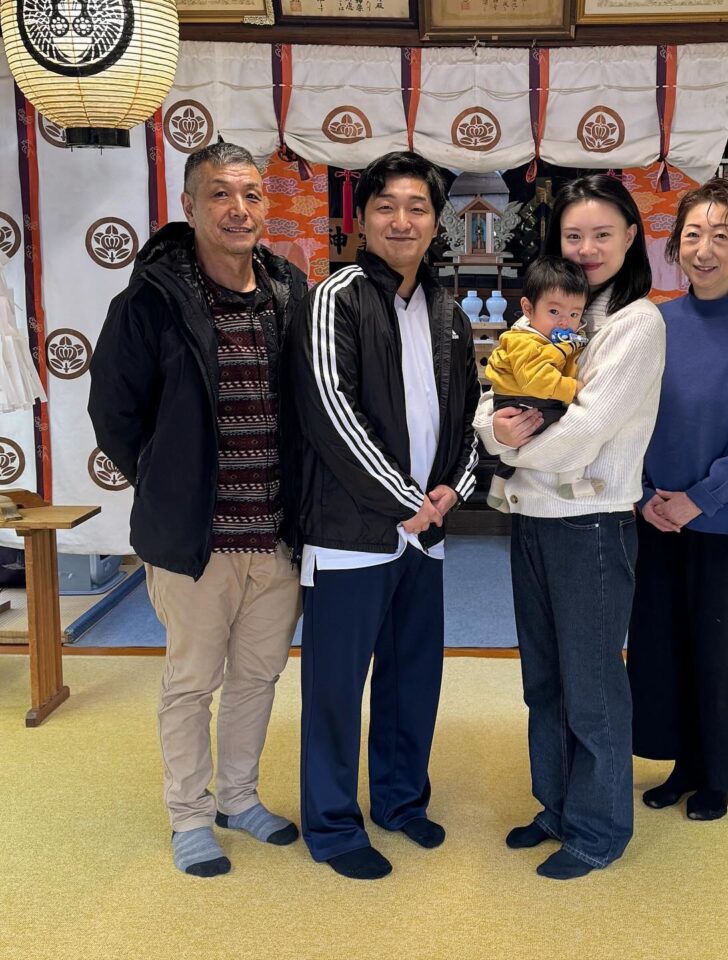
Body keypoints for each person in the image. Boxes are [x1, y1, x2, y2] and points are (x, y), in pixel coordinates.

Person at [88, 142, 308, 877]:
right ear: (188, 206)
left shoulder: (289, 292)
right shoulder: (148, 301)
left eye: (250, 194)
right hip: (194, 543)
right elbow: (115, 416)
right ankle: (189, 814)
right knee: (191, 682)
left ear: (264, 207)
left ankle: (238, 798)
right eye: (219, 194)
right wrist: (164, 481)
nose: (237, 208)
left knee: (257, 677)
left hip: (275, 538)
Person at [287, 151, 480, 881]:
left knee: (411, 678)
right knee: (335, 689)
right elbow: (332, 413)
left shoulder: (448, 310)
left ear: (438, 222)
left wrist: (451, 491)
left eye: (418, 208)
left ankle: (401, 801)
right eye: (386, 207)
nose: (403, 220)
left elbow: (465, 420)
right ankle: (334, 826)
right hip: (350, 535)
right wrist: (406, 502)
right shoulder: (334, 295)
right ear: (360, 220)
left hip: (422, 534)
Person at [473, 174, 665, 879]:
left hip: (590, 525)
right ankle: (555, 805)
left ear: (631, 238)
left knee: (591, 686)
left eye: (601, 235)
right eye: (574, 236)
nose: (585, 249)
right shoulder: (550, 313)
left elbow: (584, 433)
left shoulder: (635, 324)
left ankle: (598, 828)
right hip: (529, 519)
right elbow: (494, 392)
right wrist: (494, 429)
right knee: (544, 682)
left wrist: (502, 445)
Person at [628, 177, 728, 822]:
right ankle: (680, 763)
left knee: (719, 649)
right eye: (693, 233)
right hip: (654, 518)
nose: (704, 248)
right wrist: (644, 497)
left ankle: (716, 772)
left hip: (724, 519)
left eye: (721, 235)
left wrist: (699, 499)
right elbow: (627, 418)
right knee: (661, 644)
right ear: (676, 245)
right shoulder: (654, 323)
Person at [485, 255, 603, 512]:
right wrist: (573, 389)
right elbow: (536, 380)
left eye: (574, 313)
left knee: (522, 441)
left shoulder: (551, 338)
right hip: (522, 400)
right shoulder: (523, 340)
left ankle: (496, 491)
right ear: (528, 309)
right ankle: (569, 481)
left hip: (524, 399)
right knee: (571, 428)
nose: (564, 321)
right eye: (554, 311)